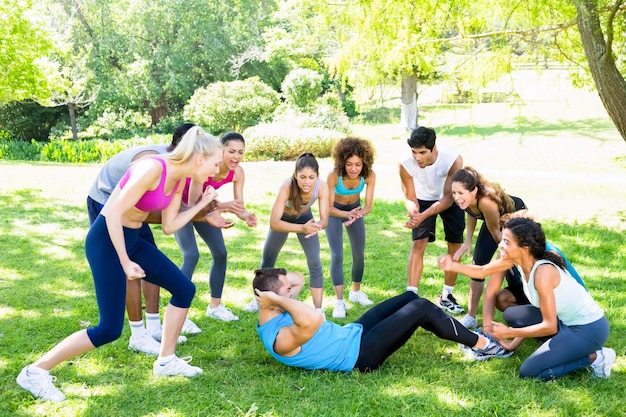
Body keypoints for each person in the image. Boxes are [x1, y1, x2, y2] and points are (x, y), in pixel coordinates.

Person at [17, 126, 223, 402]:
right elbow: (112, 213)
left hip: (133, 238)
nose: (216, 170)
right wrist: (125, 262)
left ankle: (166, 360)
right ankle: (35, 371)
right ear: (199, 158)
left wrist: (202, 206)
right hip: (106, 240)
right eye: (215, 163)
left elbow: (169, 226)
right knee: (109, 329)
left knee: (184, 290)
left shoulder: (178, 180)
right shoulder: (151, 167)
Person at [438, 217, 614, 380]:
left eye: (506, 242)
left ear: (524, 248)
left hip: (588, 329)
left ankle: (597, 357)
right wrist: (453, 266)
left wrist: (510, 333)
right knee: (512, 315)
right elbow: (483, 271)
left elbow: (549, 325)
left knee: (530, 372)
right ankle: (567, 346)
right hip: (564, 322)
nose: (500, 245)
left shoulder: (543, 273)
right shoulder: (519, 260)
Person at [253, 267, 512, 373]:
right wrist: (278, 299)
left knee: (406, 299)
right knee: (420, 308)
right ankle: (483, 345)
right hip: (359, 356)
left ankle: (464, 336)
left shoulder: (278, 309)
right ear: (275, 299)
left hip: (352, 334)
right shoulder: (279, 340)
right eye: (287, 292)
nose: (293, 292)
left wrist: (276, 294)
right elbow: (312, 319)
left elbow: (297, 279)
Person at [175, 132, 257, 323]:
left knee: (220, 253)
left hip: (205, 208)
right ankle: (180, 313)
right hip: (182, 207)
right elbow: (193, 203)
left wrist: (245, 216)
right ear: (221, 150)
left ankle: (215, 306)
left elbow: (237, 204)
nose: (236, 157)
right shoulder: (207, 166)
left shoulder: (237, 172)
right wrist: (222, 206)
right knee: (191, 255)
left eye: (241, 152)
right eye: (231, 151)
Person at [247, 153, 329, 315]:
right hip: (283, 220)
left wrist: (317, 226)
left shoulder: (322, 186)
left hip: (306, 219)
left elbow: (325, 218)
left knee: (315, 263)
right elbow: (274, 222)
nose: (307, 182)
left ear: (317, 176)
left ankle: (319, 310)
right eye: (303, 177)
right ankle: (258, 299)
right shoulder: (287, 186)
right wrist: (301, 229)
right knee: (268, 262)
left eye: (311, 177)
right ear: (295, 175)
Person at [399, 126, 465, 315]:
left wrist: (424, 215)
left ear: (433, 148)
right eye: (414, 152)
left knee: (455, 246)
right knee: (418, 244)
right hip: (422, 199)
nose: (417, 157)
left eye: (422, 152)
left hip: (449, 199)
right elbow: (409, 196)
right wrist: (414, 213)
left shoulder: (453, 159)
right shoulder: (404, 162)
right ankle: (410, 297)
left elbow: (447, 197)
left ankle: (447, 296)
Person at [450, 166, 526, 329]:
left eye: (460, 193)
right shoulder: (467, 200)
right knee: (478, 264)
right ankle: (471, 317)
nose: (457, 197)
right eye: (454, 193)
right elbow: (472, 215)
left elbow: (496, 231)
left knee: (510, 266)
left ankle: (523, 303)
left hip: (515, 216)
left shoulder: (486, 202)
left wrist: (506, 254)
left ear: (474, 191)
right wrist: (467, 242)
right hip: (494, 222)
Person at [326, 137, 377, 318]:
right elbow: (328, 207)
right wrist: (346, 215)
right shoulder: (334, 176)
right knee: (337, 255)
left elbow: (368, 205)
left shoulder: (369, 175)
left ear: (365, 162)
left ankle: (355, 292)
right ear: (342, 162)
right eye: (349, 164)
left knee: (358, 254)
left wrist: (356, 214)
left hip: (355, 211)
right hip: (333, 213)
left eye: (358, 164)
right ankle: (339, 302)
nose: (354, 169)